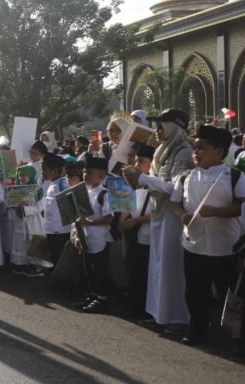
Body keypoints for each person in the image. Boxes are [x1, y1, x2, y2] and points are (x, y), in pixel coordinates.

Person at [169, 125, 245, 346]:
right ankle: (197, 332)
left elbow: (240, 206)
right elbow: (174, 203)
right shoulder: (185, 177)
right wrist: (181, 215)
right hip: (194, 246)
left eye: (201, 148)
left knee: (228, 293)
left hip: (224, 247)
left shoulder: (235, 177)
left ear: (219, 151)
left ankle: (234, 337)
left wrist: (218, 212)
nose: (195, 152)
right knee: (195, 293)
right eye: (194, 148)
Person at [125, 108, 194, 336]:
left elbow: (176, 186)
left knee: (171, 268)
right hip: (158, 213)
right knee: (158, 267)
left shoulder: (183, 152)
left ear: (174, 127)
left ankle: (177, 318)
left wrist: (142, 178)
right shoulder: (161, 151)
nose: (157, 131)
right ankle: (159, 315)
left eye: (161, 126)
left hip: (173, 217)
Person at [74, 157, 114, 314]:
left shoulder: (104, 194)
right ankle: (92, 295)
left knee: (100, 271)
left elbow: (109, 218)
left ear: (101, 175)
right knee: (88, 270)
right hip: (86, 238)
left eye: (89, 172)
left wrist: (89, 222)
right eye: (84, 171)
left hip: (100, 239)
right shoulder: (85, 192)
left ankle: (102, 300)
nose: (85, 174)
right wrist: (78, 235)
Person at [120, 145, 155, 322]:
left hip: (151, 239)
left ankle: (146, 310)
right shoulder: (134, 184)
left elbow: (159, 212)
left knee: (147, 276)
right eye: (135, 160)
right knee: (135, 274)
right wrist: (125, 219)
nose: (136, 164)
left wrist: (136, 221)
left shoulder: (156, 185)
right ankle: (134, 306)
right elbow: (127, 206)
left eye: (141, 161)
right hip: (135, 237)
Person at [41, 152, 71, 266]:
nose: (43, 172)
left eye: (45, 169)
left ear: (54, 171)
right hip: (52, 228)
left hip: (60, 230)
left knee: (60, 258)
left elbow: (68, 206)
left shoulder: (62, 184)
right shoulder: (53, 183)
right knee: (54, 256)